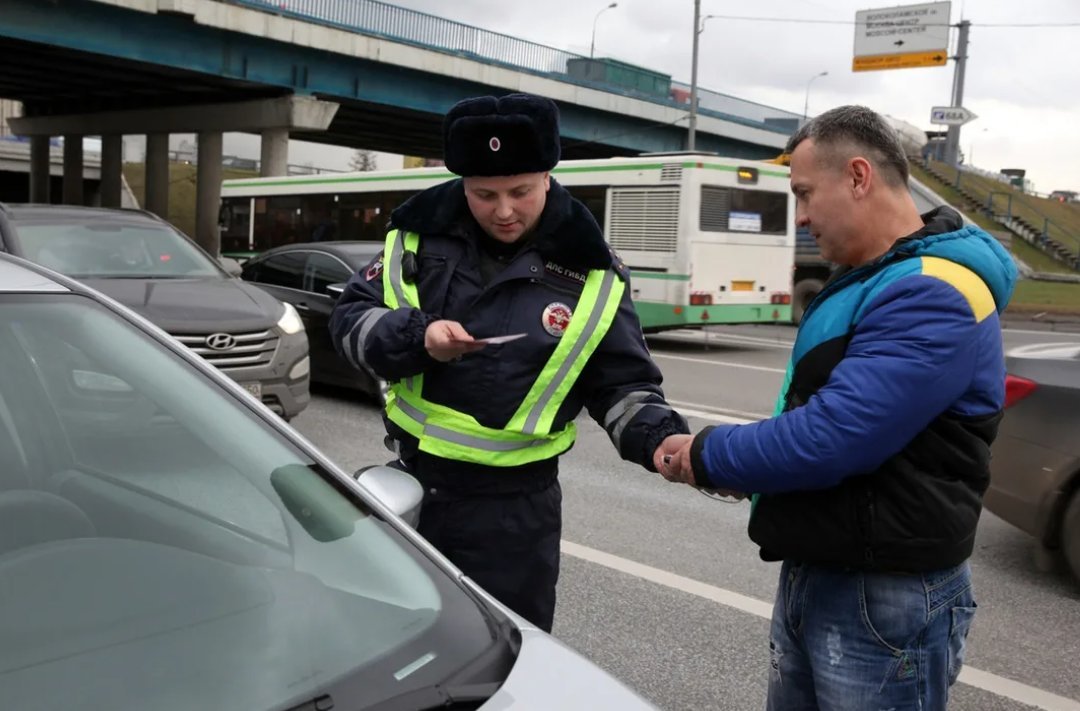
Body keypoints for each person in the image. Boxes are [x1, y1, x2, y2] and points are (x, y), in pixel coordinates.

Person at [657, 105, 1017, 710]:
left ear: (857, 176)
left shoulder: (933, 290)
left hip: (883, 594)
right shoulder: (876, 276)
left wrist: (709, 453)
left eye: (803, 195)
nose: (800, 218)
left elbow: (835, 436)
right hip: (829, 568)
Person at [330, 93, 688, 632]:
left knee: (506, 655)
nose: (503, 211)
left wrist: (660, 438)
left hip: (516, 515)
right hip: (411, 487)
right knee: (400, 650)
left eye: (521, 192)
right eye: (484, 194)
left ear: (547, 176)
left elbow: (622, 383)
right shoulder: (413, 240)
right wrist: (417, 335)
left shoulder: (594, 271)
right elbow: (349, 323)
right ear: (462, 185)